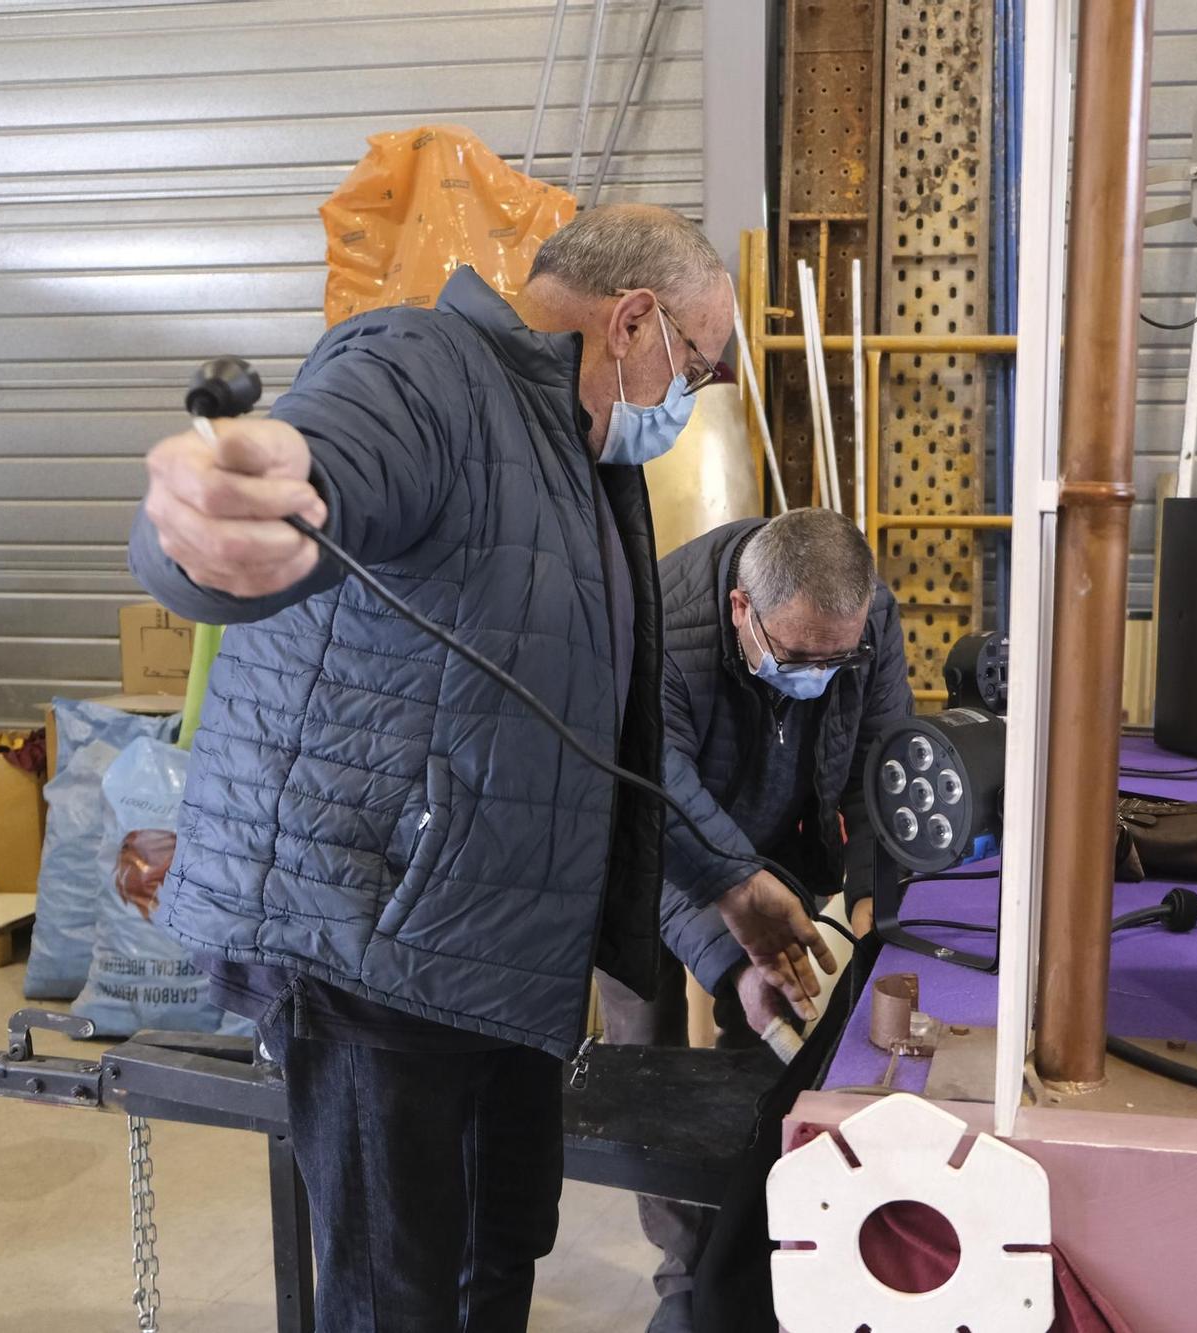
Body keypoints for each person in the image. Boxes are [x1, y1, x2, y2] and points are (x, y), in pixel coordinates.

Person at [128, 204, 835, 1333]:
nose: (687, 399)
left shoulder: (572, 451)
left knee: (498, 1252)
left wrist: (725, 880)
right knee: (400, 1299)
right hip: (378, 953)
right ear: (634, 320)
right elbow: (322, 461)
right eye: (694, 370)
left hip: (492, 956)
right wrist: (227, 515)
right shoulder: (425, 366)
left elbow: (589, 723)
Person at [596, 506, 913, 1332]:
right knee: (646, 1064)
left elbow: (883, 757)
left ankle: (754, 1257)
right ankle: (682, 1280)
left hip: (777, 854)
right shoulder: (656, 623)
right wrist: (731, 951)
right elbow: (648, 808)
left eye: (834, 659)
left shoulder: (864, 615)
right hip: (643, 855)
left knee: (769, 1051)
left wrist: (879, 901)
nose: (817, 674)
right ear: (741, 608)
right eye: (798, 657)